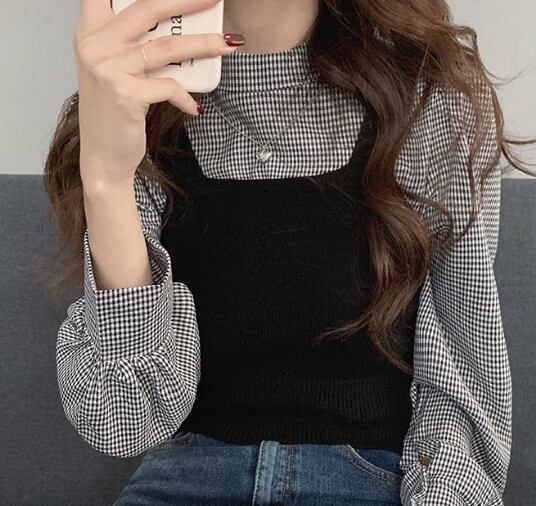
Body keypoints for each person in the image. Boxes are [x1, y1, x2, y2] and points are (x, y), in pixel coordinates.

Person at [44, 0, 534, 504]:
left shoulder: (429, 92)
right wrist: (105, 176)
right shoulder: (129, 97)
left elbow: (460, 389)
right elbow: (126, 420)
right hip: (182, 480)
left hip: (372, 484)